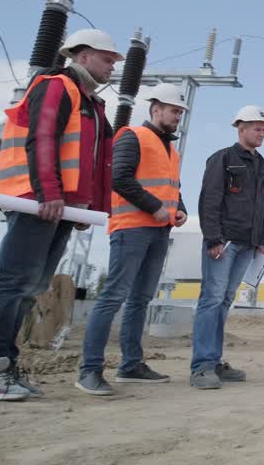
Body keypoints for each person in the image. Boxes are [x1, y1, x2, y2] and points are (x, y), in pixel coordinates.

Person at [0, 29, 122, 401]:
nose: (113, 67)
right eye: (108, 59)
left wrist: (85, 207)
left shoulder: (90, 102)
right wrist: (51, 192)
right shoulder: (57, 85)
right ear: (83, 55)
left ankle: (1, 365)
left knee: (30, 288)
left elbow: (93, 160)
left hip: (60, 206)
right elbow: (42, 137)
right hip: (38, 200)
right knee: (14, 283)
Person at [76, 83, 190, 396]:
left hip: (159, 230)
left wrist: (179, 209)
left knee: (140, 299)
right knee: (114, 296)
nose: (178, 116)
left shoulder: (171, 149)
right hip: (131, 228)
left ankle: (131, 365)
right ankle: (89, 370)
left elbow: (172, 187)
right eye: (173, 111)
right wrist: (154, 207)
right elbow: (119, 178)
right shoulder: (132, 136)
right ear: (156, 110)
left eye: (180, 112)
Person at [189, 105, 264, 390]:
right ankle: (201, 367)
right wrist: (213, 238)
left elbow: (262, 206)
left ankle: (214, 361)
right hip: (223, 243)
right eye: (256, 128)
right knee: (211, 299)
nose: (261, 132)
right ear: (241, 128)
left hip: (247, 244)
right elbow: (209, 200)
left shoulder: (262, 165)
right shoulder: (222, 159)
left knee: (224, 301)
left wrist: (263, 239)